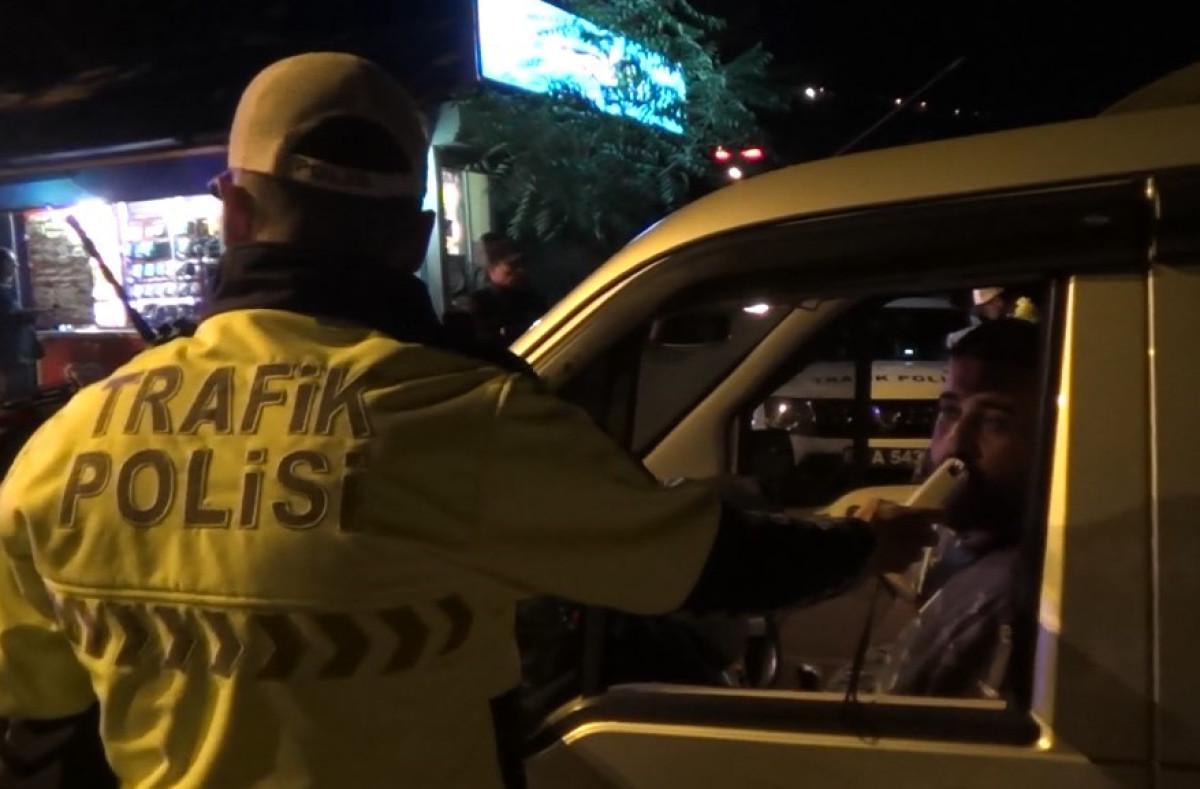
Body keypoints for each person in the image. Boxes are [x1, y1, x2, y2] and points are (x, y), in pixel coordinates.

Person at [0, 53, 936, 789]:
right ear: (415, 237)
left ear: (236, 213)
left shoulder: (66, 444)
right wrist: (867, 543)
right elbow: (705, 563)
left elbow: (38, 725)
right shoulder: (462, 414)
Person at [881, 318, 1041, 698]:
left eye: (996, 422)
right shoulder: (962, 550)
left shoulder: (1003, 598)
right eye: (950, 411)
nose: (955, 445)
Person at [461, 233, 548, 346]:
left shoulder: (530, 295)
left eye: (520, 263)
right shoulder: (480, 303)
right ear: (491, 270)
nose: (519, 270)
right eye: (511, 265)